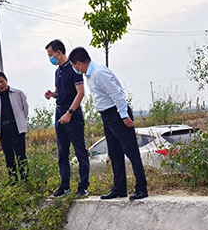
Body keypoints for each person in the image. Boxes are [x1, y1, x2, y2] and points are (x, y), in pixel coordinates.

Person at [68, 47, 148, 201]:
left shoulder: (99, 72)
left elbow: (117, 94)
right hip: (107, 115)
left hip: (117, 114)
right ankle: (119, 188)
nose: (74, 69)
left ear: (78, 64)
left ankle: (141, 187)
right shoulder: (89, 75)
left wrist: (124, 116)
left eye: (73, 66)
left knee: (131, 151)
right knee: (114, 152)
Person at [44, 39, 90, 197]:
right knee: (62, 153)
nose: (50, 58)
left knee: (80, 151)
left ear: (58, 52)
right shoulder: (57, 72)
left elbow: (81, 93)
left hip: (72, 114)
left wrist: (70, 113)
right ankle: (65, 186)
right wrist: (53, 94)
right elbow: (59, 91)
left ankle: (83, 186)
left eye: (51, 55)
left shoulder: (73, 69)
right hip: (59, 113)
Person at [0, 72, 29, 182]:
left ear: (6, 80)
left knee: (21, 155)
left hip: (17, 128)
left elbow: (25, 109)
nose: (0, 84)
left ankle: (25, 179)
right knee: (8, 156)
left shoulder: (18, 93)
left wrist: (20, 121)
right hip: (3, 129)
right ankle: (13, 179)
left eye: (2, 81)